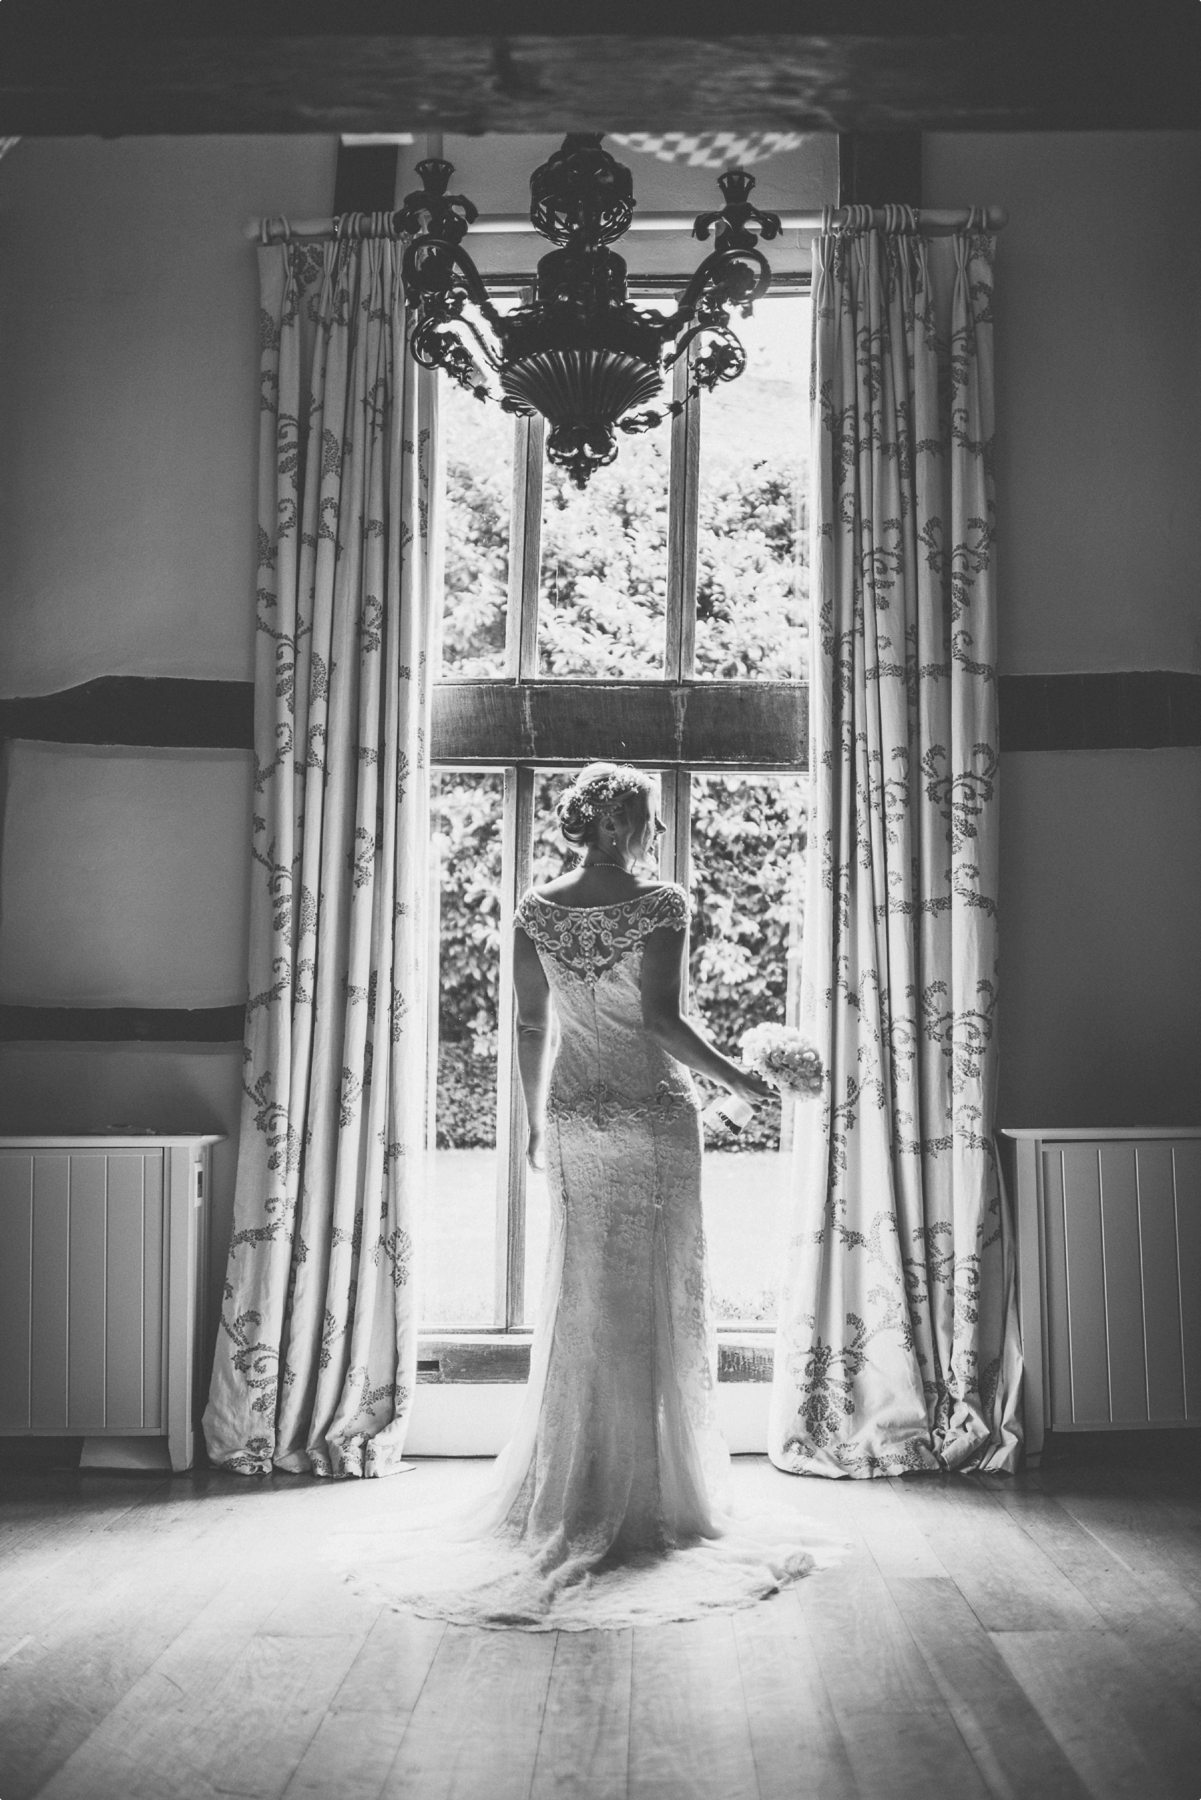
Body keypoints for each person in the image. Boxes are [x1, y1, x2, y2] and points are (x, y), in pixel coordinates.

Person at [350, 762, 844, 1630]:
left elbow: (532, 1024)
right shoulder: (662, 904)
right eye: (646, 816)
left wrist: (537, 1119)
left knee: (582, 1300)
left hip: (576, 1112)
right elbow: (659, 1020)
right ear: (619, 825)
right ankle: (652, 1499)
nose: (653, 830)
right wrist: (739, 1080)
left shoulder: (535, 909)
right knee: (653, 1301)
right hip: (653, 1113)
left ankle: (575, 1491)